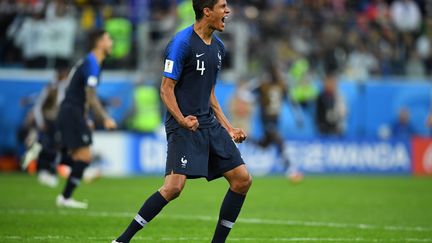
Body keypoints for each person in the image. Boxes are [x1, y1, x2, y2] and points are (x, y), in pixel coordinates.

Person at [113, 1, 252, 242]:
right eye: (222, 6)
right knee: (173, 188)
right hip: (183, 125)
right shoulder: (181, 43)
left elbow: (209, 93)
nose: (227, 11)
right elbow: (166, 89)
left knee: (242, 180)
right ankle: (122, 240)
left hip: (208, 123)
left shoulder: (218, 47)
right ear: (207, 11)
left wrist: (228, 127)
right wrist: (181, 119)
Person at [56, 30, 117, 209]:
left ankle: (53, 161)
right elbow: (90, 96)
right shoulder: (92, 64)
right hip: (71, 111)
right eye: (108, 39)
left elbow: (80, 92)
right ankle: (64, 195)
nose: (111, 43)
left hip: (73, 111)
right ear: (99, 43)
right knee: (84, 156)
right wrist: (104, 118)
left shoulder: (90, 62)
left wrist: (84, 116)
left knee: (79, 156)